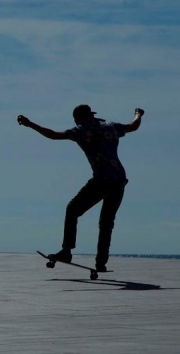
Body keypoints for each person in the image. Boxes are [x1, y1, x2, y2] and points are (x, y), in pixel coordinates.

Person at [17, 105, 144, 271]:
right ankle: (101, 262)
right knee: (106, 222)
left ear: (79, 117)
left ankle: (67, 251)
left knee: (72, 209)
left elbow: (54, 135)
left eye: (74, 118)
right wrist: (138, 114)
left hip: (102, 179)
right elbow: (133, 126)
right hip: (119, 179)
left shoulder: (81, 130)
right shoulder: (110, 127)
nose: (74, 121)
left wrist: (30, 124)